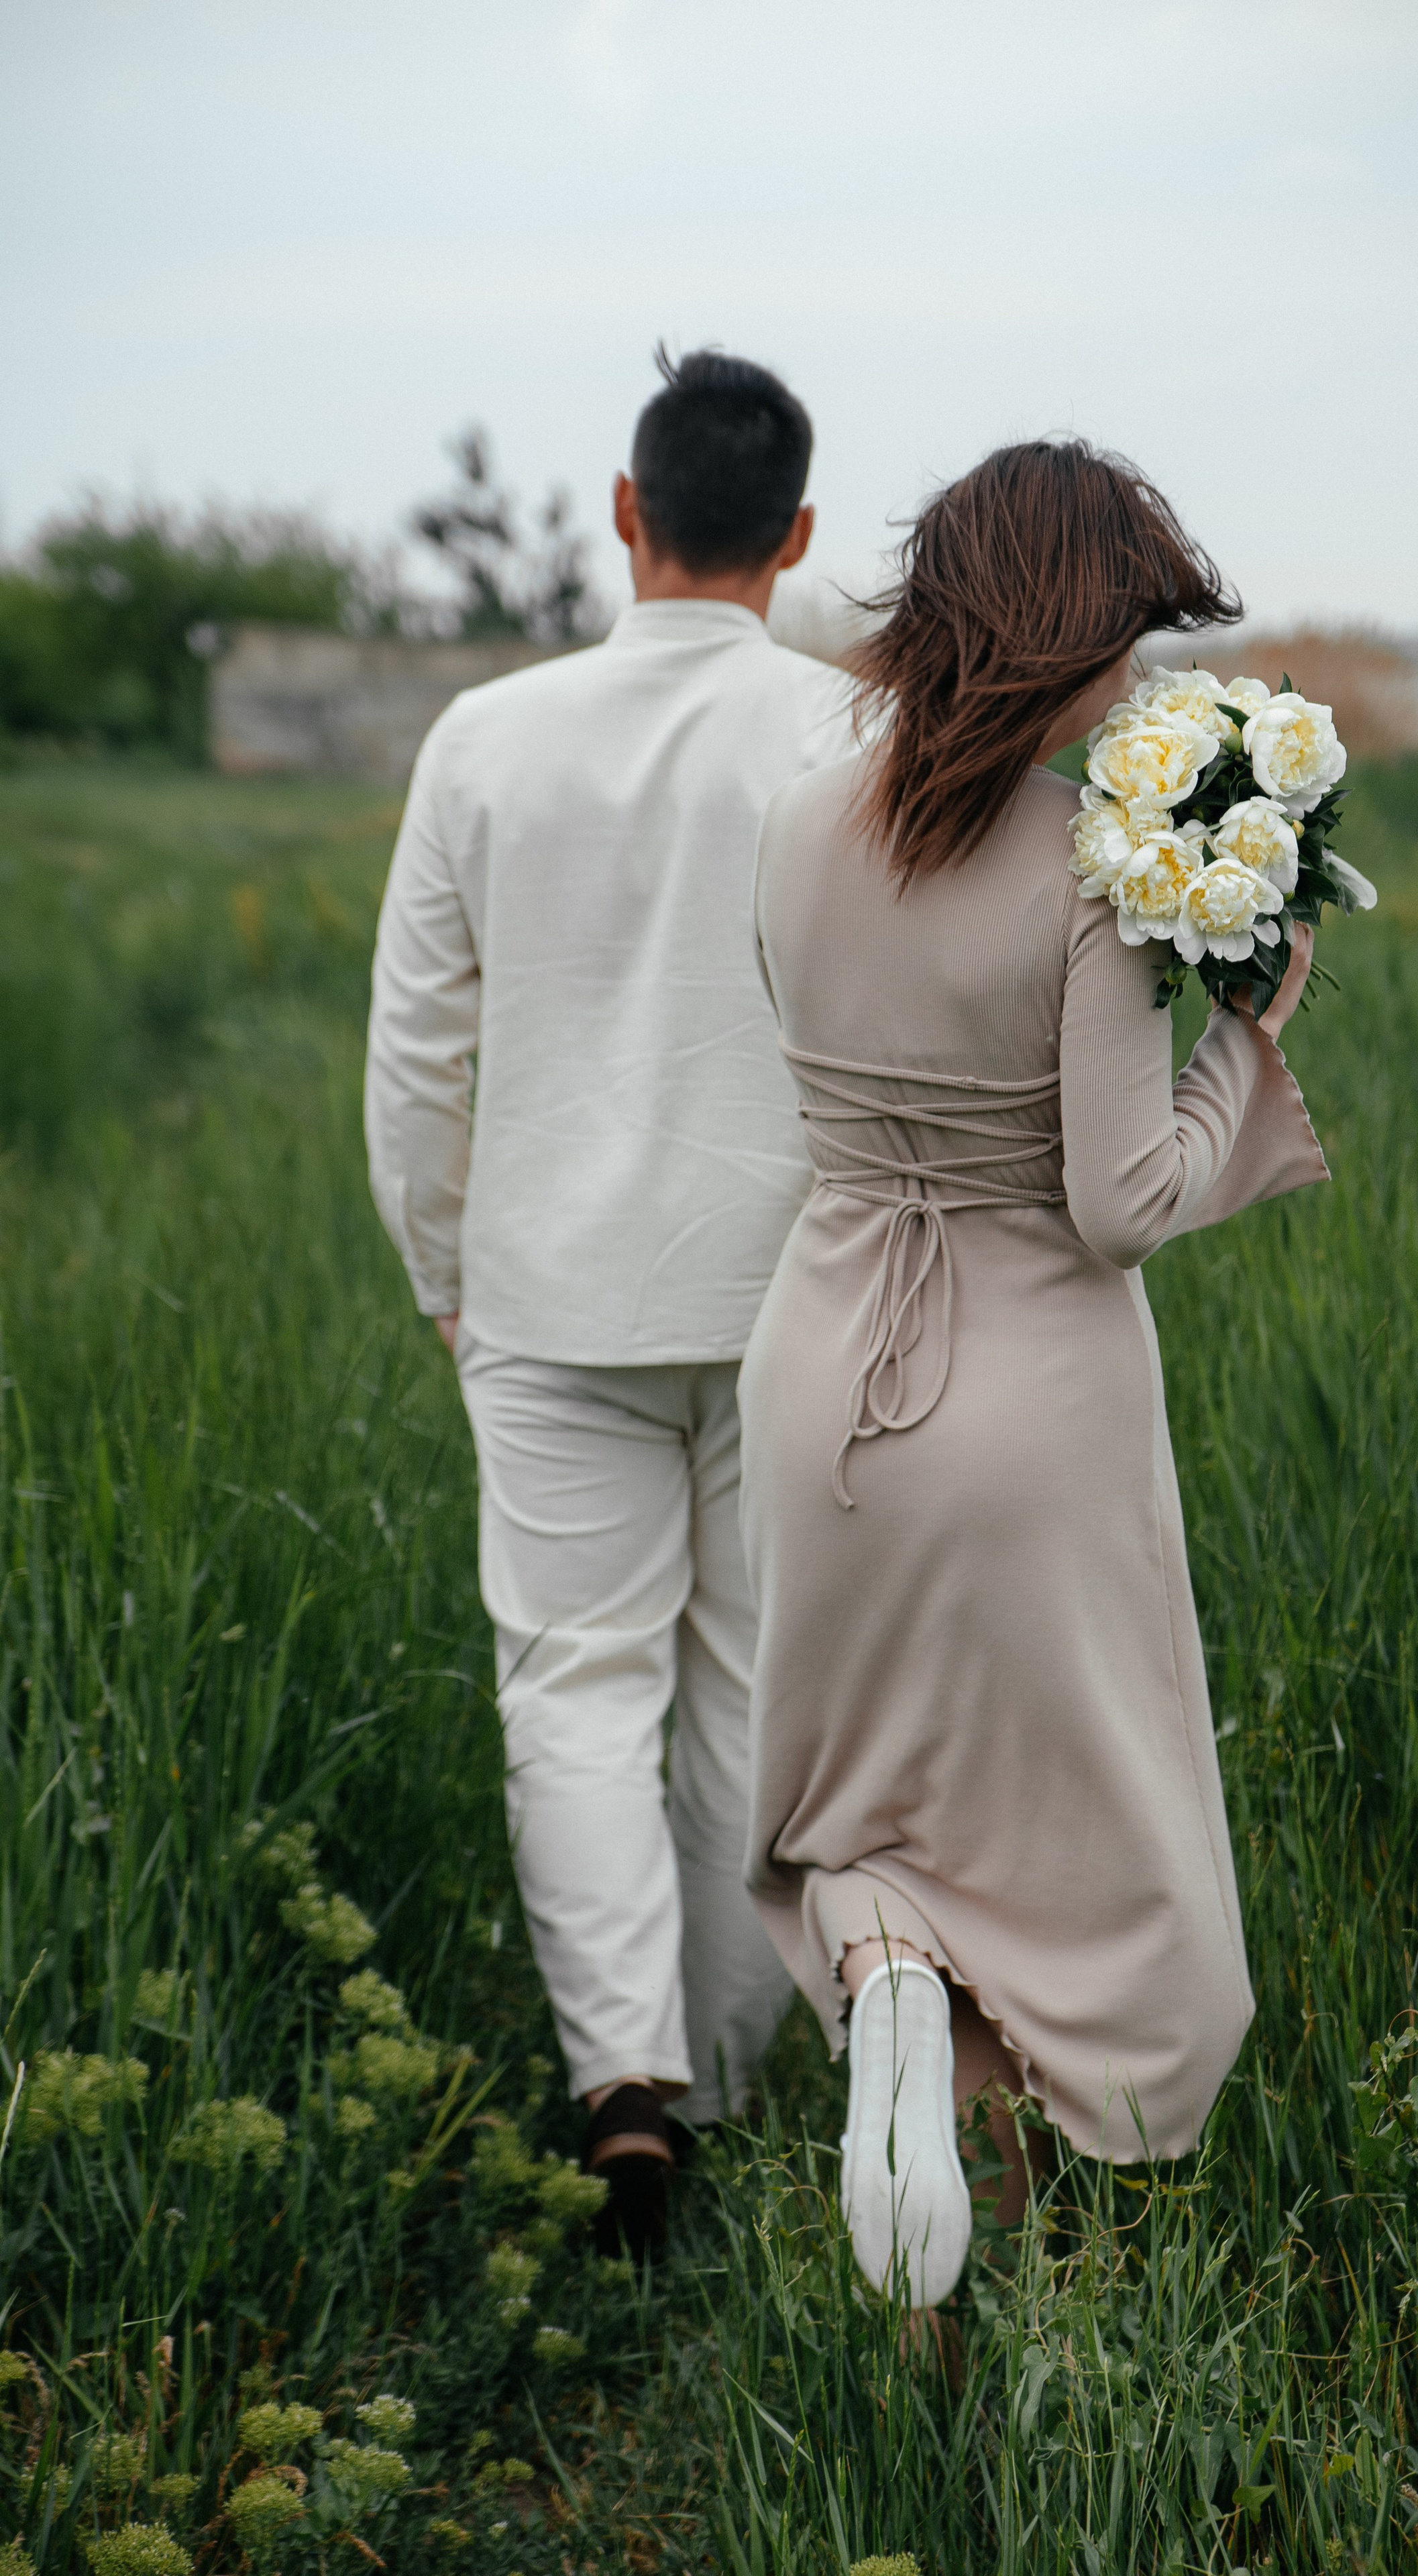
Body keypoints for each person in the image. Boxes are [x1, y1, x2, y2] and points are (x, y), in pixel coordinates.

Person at [738, 439, 1330, 2307]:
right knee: (1095, 1852)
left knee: (878, 1814)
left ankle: (899, 2000)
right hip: (1026, 1409)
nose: (1135, 690)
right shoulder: (1092, 880)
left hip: (819, 1371)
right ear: (1060, 645)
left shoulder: (790, 824)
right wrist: (1247, 1037)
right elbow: (1121, 1201)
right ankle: (1047, 2166)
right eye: (1127, 650)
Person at [364, 349, 855, 2254]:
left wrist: (442, 1268)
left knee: (573, 1686)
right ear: (796, 535)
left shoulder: (485, 736)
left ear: (625, 512)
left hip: (548, 1296)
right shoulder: (845, 736)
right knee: (750, 1689)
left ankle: (622, 2083)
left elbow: (418, 1050)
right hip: (785, 1291)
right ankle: (720, 2080)